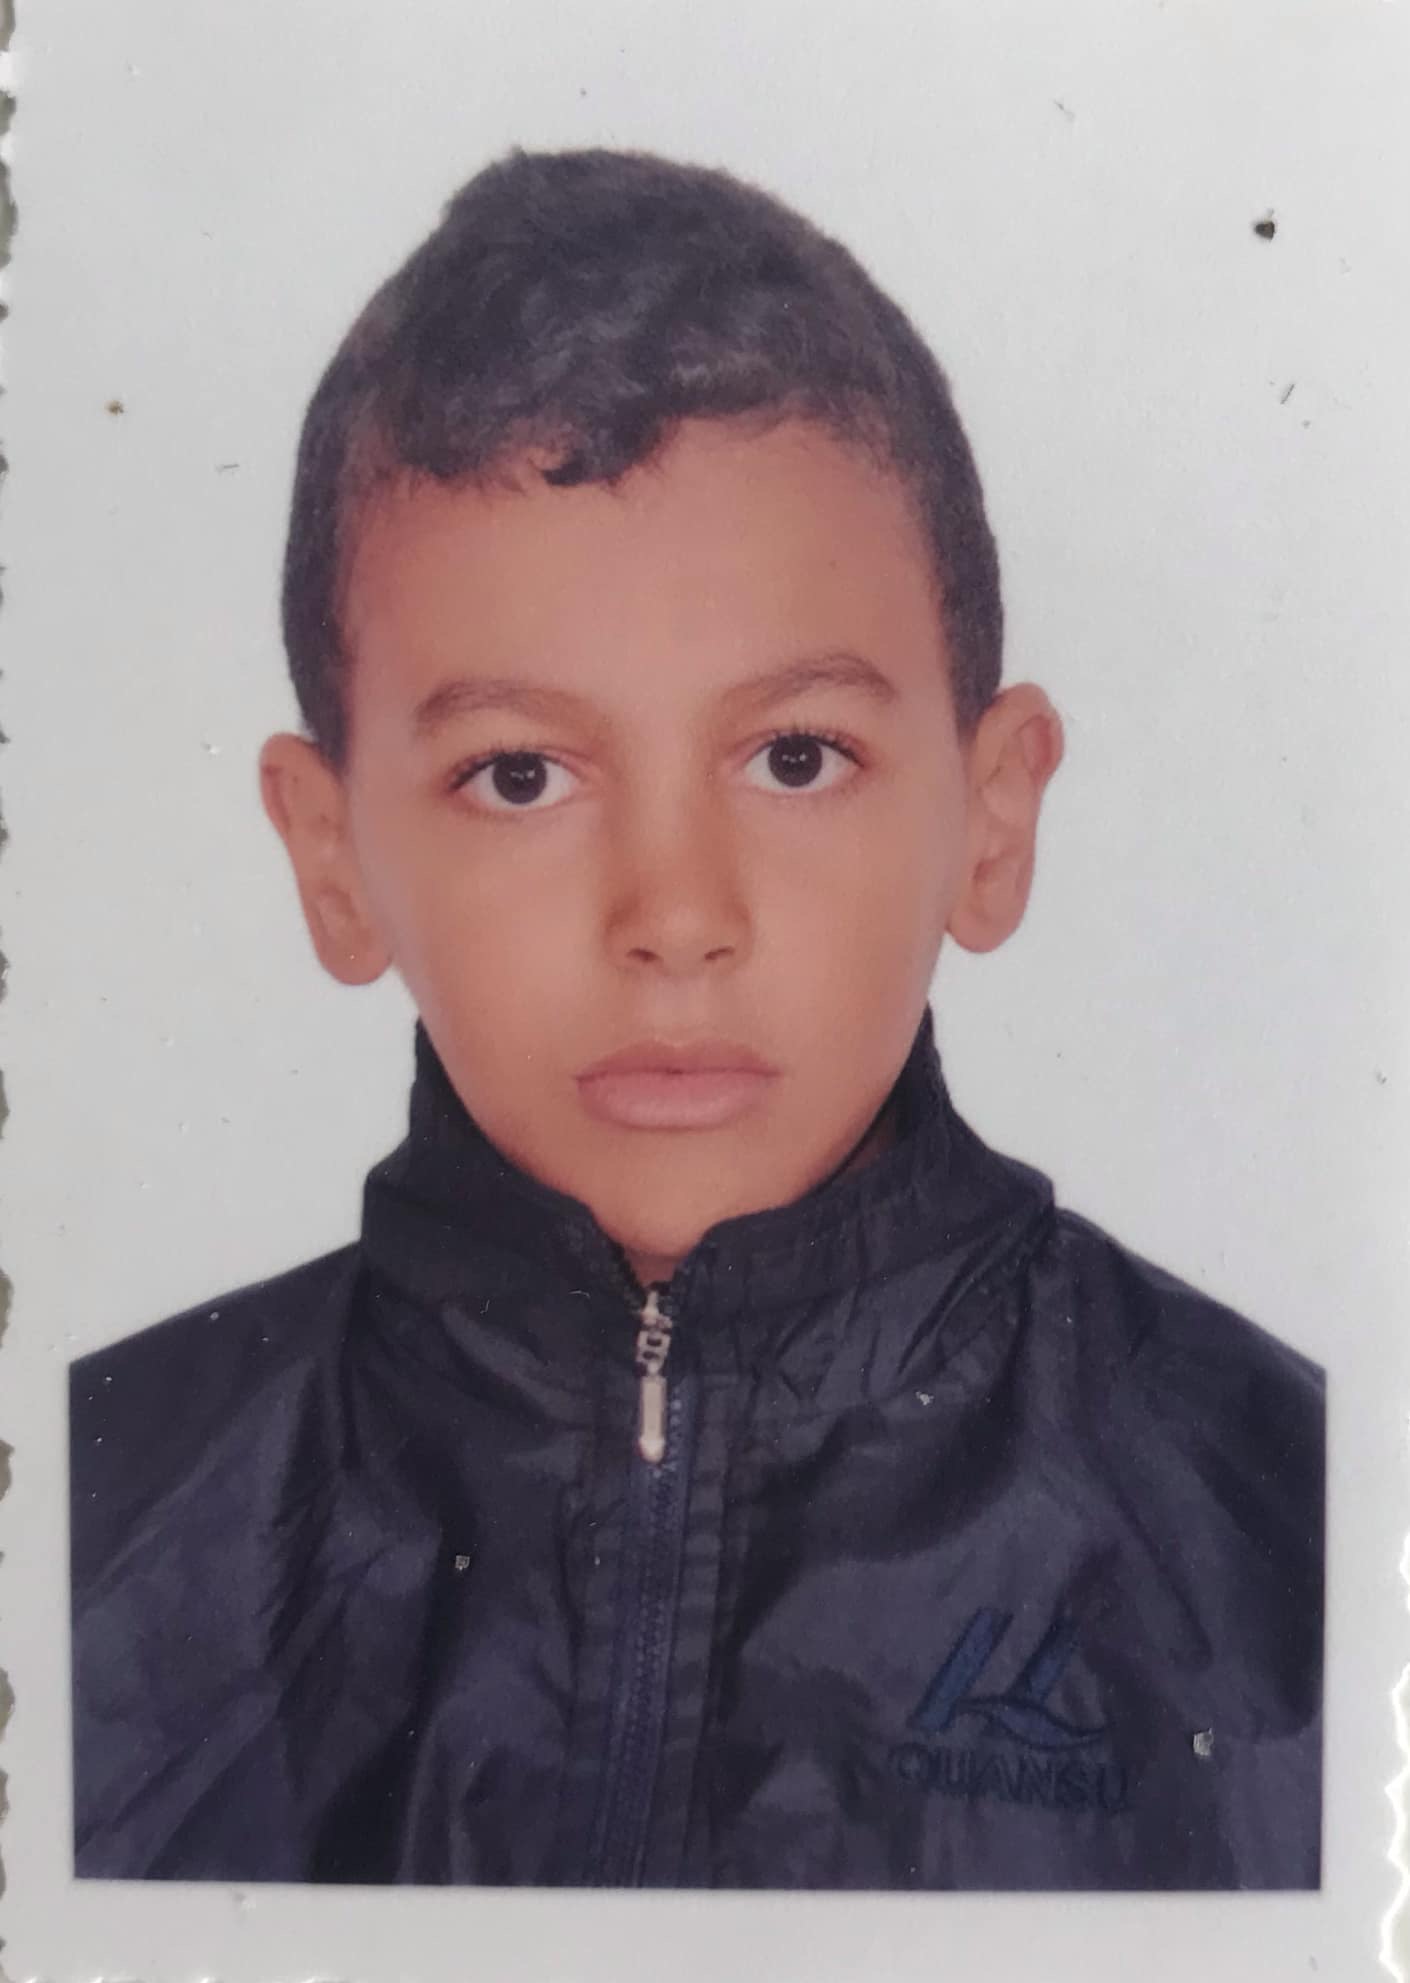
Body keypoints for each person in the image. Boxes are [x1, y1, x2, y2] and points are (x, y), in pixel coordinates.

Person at [69, 145, 1324, 1890]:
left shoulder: (1303, 1552)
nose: (672, 917)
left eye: (794, 758)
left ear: (991, 821)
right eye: (520, 774)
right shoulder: (86, 1534)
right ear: (331, 858)